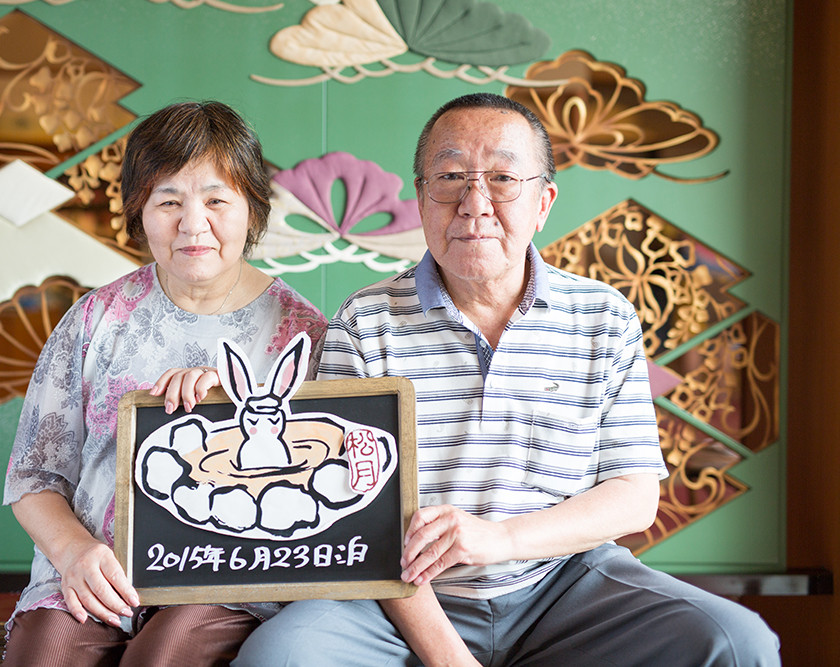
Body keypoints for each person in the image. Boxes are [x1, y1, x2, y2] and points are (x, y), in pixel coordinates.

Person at [232, 93, 780, 666]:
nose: (475, 204)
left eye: (502, 178)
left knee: (736, 643)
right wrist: (449, 658)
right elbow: (361, 516)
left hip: (564, 586)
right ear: (421, 198)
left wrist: (501, 539)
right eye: (450, 178)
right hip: (403, 599)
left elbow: (634, 496)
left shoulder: (604, 316)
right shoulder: (366, 322)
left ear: (543, 202)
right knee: (280, 656)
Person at [2, 100, 327, 666]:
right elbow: (34, 477)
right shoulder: (95, 319)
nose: (192, 224)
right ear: (139, 211)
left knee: (161, 657)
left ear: (252, 209)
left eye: (217, 200)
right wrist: (75, 553)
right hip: (94, 571)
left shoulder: (302, 333)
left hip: (230, 578)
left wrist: (229, 403)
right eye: (168, 201)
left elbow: (318, 475)